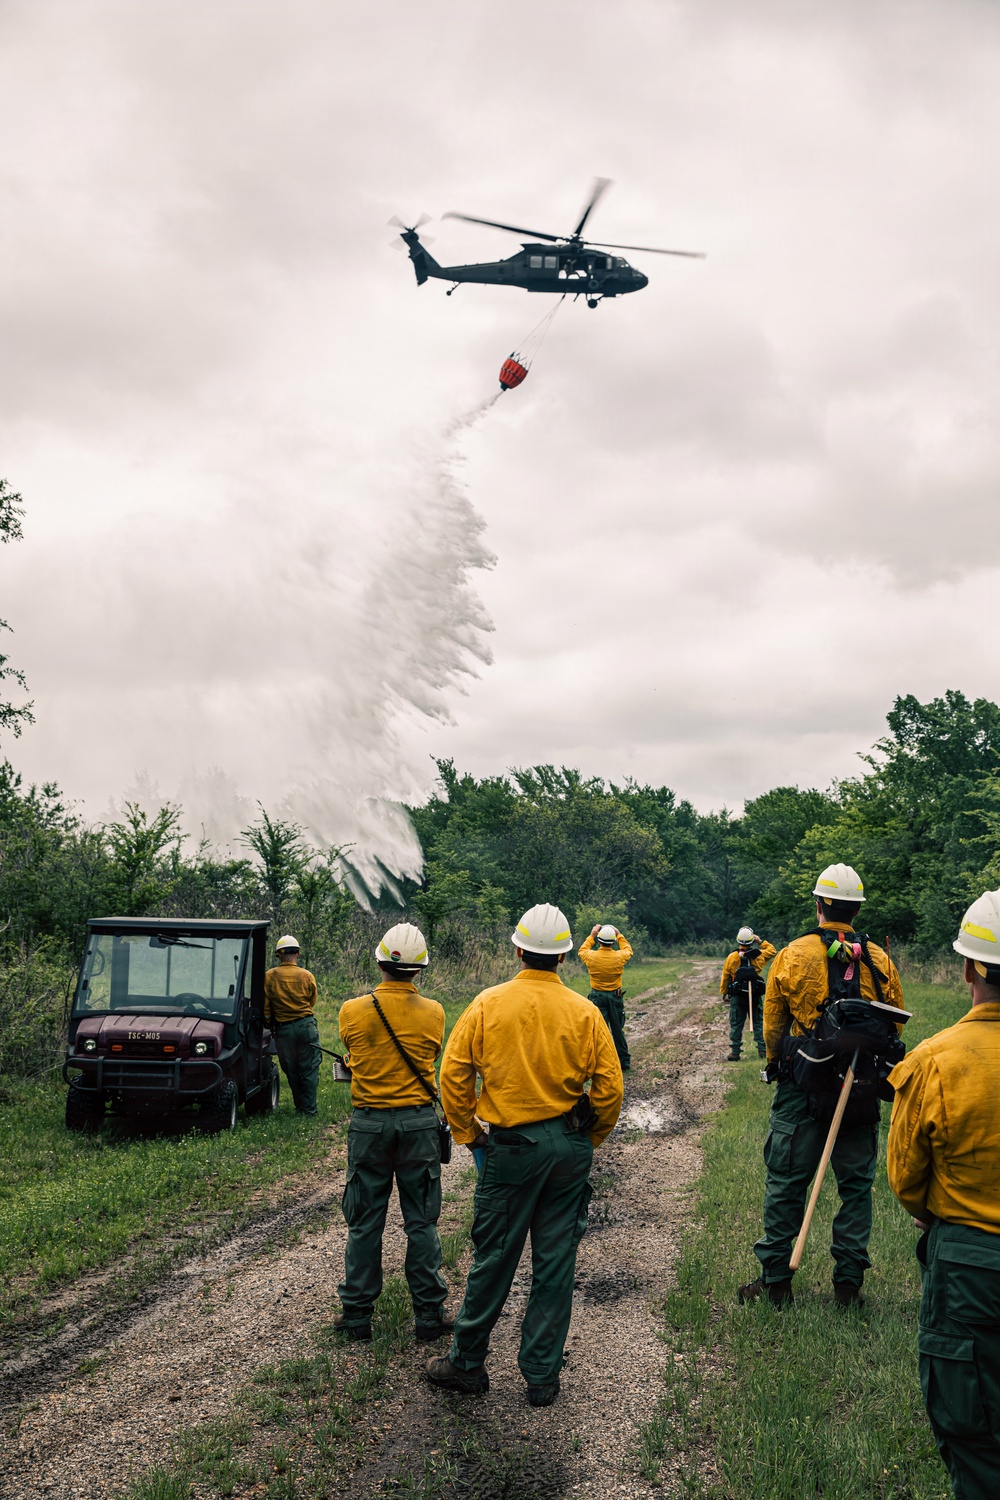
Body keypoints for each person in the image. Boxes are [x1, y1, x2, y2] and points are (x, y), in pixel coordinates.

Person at [427, 902, 623, 1406]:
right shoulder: (586, 1011)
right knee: (555, 1264)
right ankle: (541, 1377)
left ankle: (467, 1364)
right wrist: (588, 1140)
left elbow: (453, 1076)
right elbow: (609, 1089)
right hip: (568, 1148)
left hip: (510, 1149)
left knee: (494, 1257)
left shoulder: (488, 1003)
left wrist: (469, 1135)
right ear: (564, 958)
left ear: (518, 950)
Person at [738, 863, 904, 1308]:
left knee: (788, 1182)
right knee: (855, 1188)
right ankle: (848, 1287)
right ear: (855, 910)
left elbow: (773, 1027)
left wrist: (776, 1065)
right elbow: (896, 1026)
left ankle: (775, 1282)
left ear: (819, 905)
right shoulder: (881, 960)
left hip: (804, 1087)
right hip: (861, 1086)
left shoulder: (791, 955)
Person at [886, 889, 1000, 1499]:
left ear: (968, 968)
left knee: (975, 1432)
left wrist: (935, 1218)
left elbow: (907, 1180)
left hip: (970, 1266)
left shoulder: (935, 1061)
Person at [335, 922, 449, 1343]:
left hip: (369, 1125)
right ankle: (428, 1317)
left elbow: (355, 1052)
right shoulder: (434, 1012)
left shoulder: (351, 1009)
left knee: (365, 1222)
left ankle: (357, 1317)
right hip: (418, 1124)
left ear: (380, 960)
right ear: (419, 970)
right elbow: (430, 1053)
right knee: (422, 1223)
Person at [263, 934, 321, 1116]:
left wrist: (268, 1022)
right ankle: (309, 1109)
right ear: (297, 954)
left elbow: (266, 1008)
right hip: (306, 1026)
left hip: (284, 1029)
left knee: (292, 1069)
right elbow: (312, 1001)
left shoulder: (269, 976)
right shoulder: (307, 976)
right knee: (309, 1068)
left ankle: (300, 1107)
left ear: (279, 954)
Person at [577, 923, 634, 1070]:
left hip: (597, 997)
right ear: (613, 942)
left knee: (597, 1031)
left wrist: (592, 934)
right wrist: (619, 934)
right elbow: (628, 950)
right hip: (615, 997)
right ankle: (624, 1062)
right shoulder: (620, 957)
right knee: (617, 1030)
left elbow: (582, 950)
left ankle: (597, 1063)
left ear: (599, 941)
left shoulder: (591, 956)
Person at [719, 926, 776, 1062]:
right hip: (754, 995)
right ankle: (762, 1050)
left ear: (738, 941)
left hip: (738, 997)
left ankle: (735, 1052)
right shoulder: (759, 955)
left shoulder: (732, 957)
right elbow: (772, 951)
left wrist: (724, 992)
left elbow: (726, 976)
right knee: (758, 1022)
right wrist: (760, 941)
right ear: (752, 941)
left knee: (736, 1024)